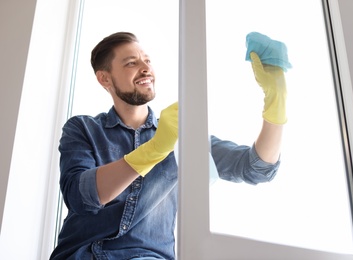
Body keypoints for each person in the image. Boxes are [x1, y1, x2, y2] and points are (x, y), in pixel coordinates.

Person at [50, 31, 289, 260]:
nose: (146, 68)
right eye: (131, 63)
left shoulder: (179, 133)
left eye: (147, 60)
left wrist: (275, 101)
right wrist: (154, 150)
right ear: (104, 78)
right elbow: (80, 197)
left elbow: (255, 168)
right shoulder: (82, 129)